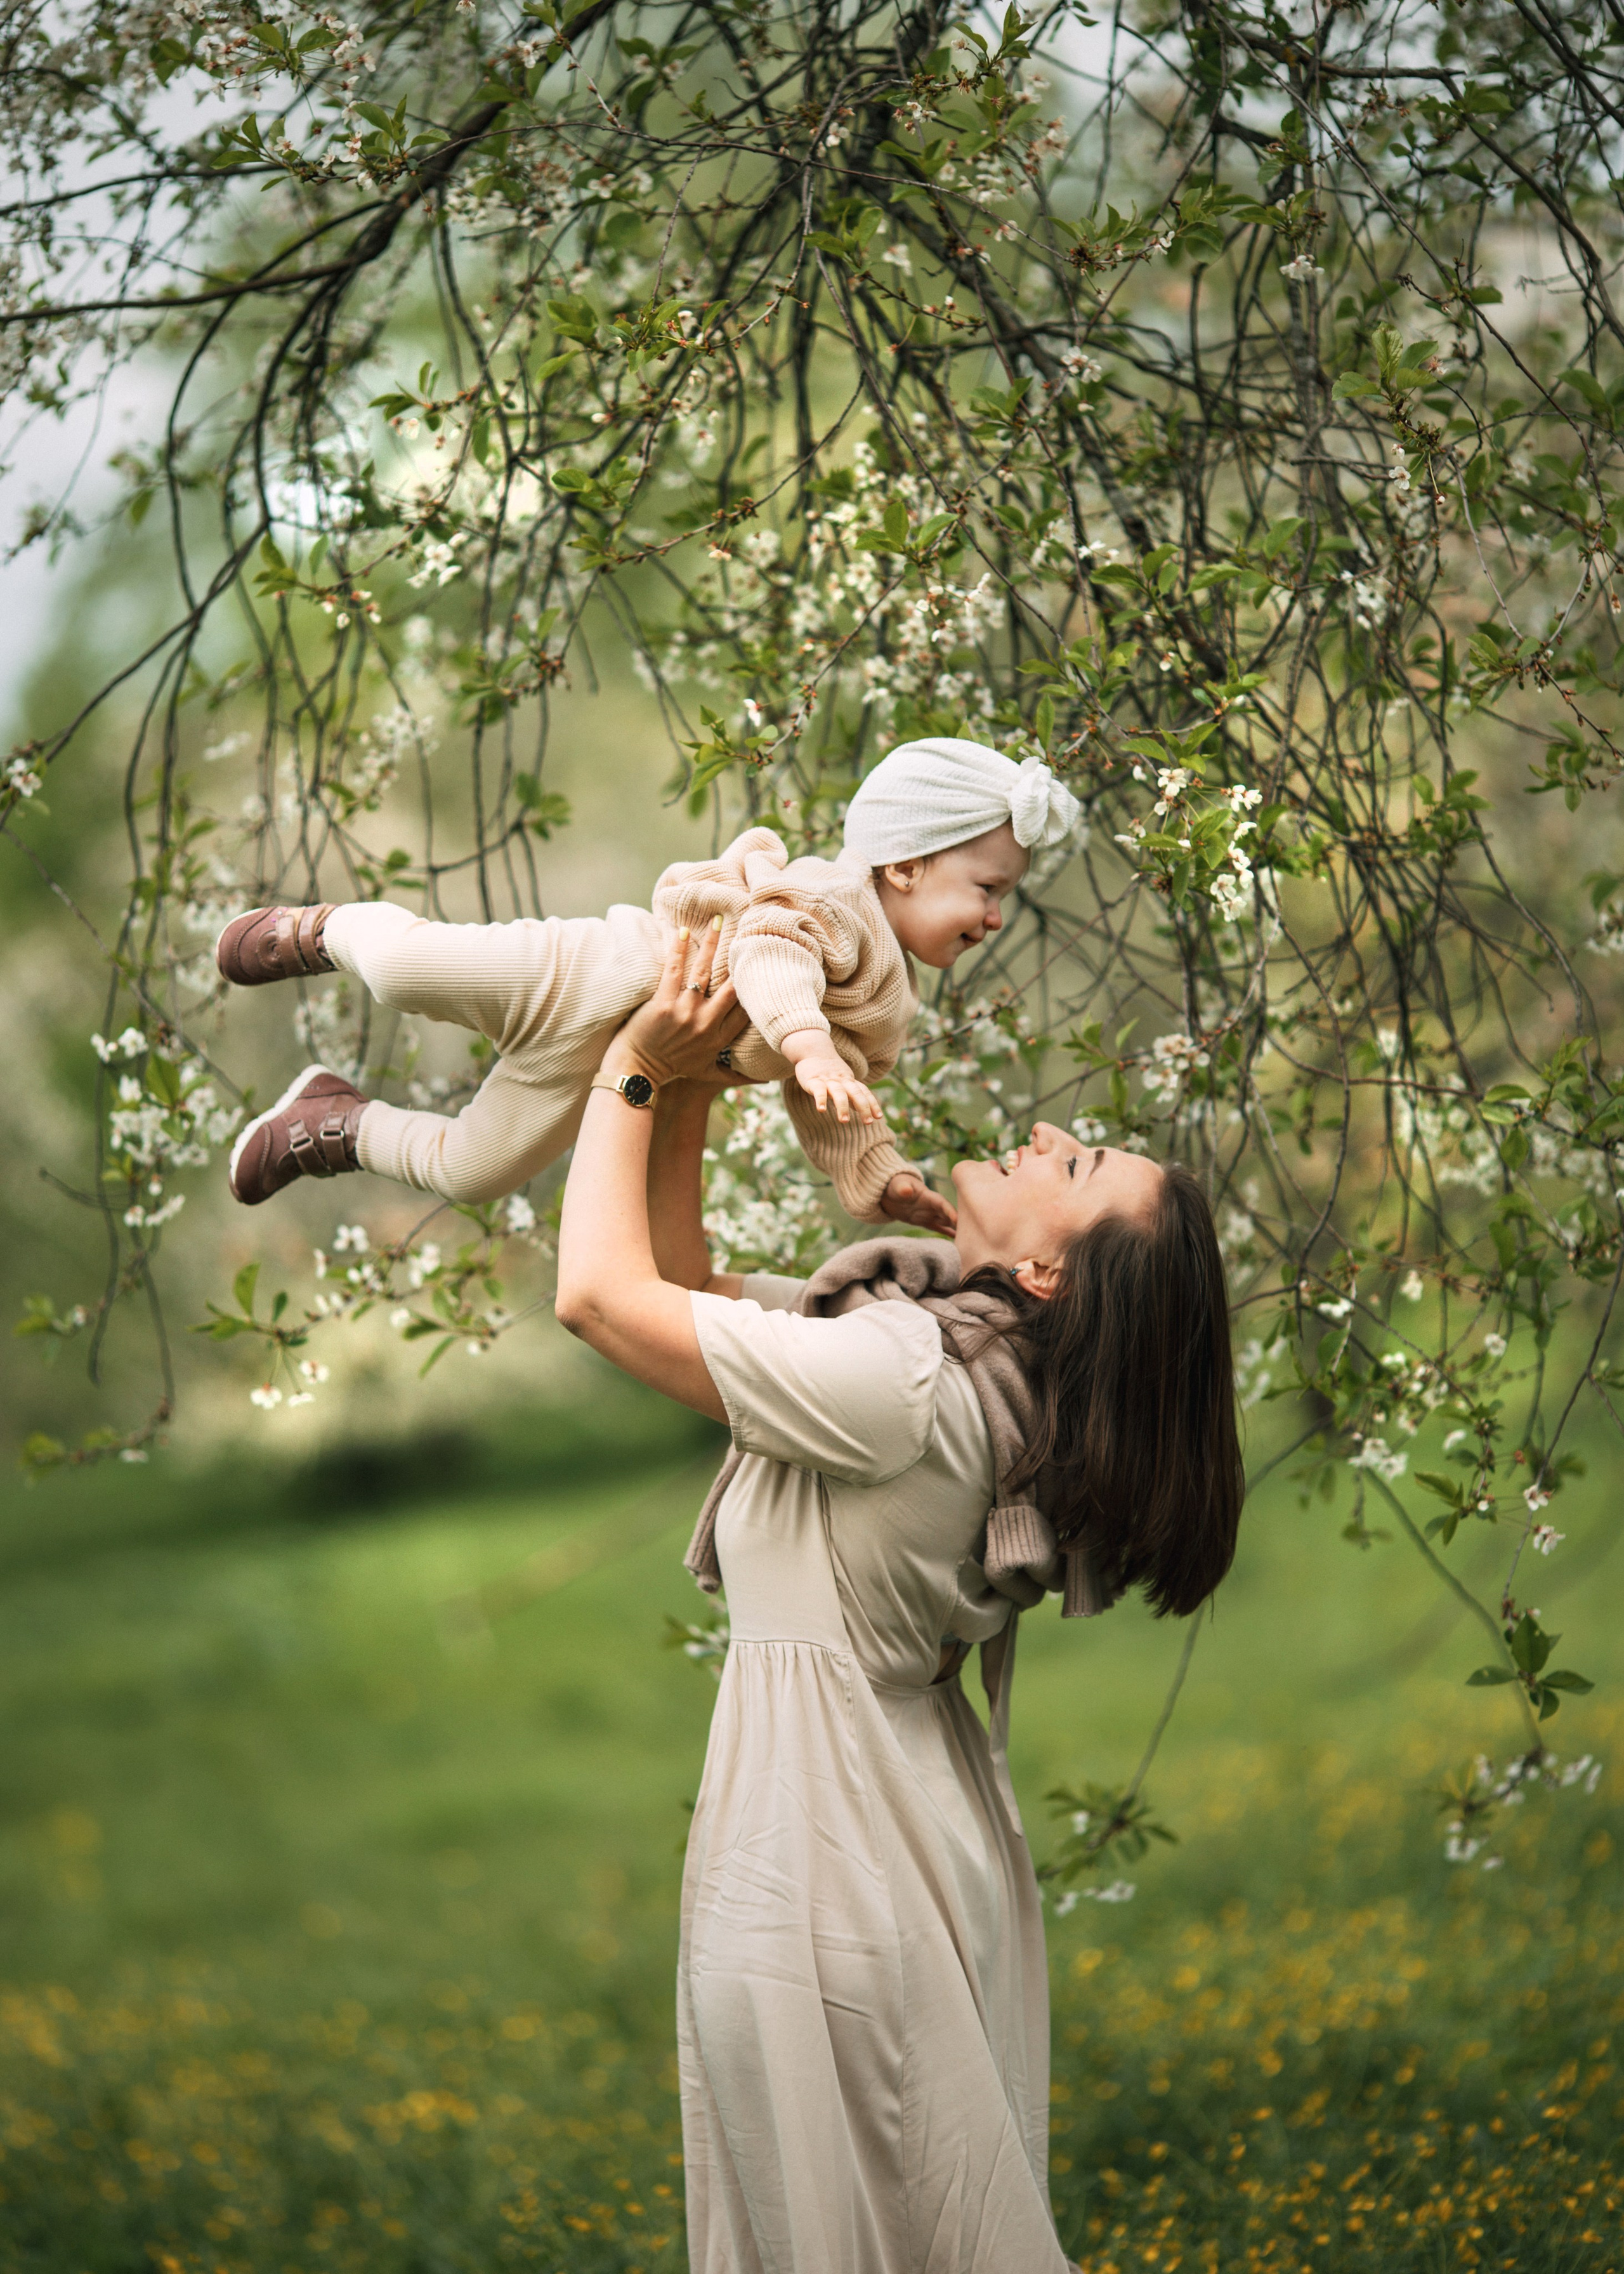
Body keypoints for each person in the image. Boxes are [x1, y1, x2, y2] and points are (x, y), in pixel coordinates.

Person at [553, 924, 1245, 2274]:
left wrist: (629, 1074)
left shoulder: (904, 1378)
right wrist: (701, 1072)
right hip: (890, 1838)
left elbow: (597, 1295)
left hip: (822, 1860)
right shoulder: (961, 1367)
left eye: (1079, 1164)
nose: (1048, 1131)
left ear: (1049, 1274)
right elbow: (688, 1291)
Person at [214, 737, 1079, 1231]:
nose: (996, 916)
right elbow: (774, 951)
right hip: (584, 978)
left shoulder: (888, 998)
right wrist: (807, 1042)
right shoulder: (832, 897)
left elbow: (829, 1102)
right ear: (907, 863)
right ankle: (321, 931)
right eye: (988, 888)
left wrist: (877, 1174)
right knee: (403, 970)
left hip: (605, 1066)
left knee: (476, 1170)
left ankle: (335, 1125)